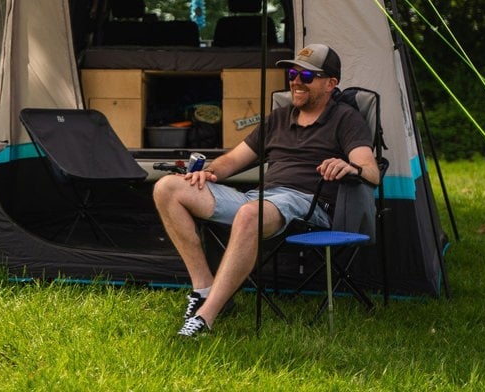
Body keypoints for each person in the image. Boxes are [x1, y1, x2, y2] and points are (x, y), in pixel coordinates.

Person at [153, 43, 380, 338]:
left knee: (250, 213)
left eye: (307, 76)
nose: (296, 80)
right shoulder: (277, 119)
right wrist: (210, 173)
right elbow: (235, 159)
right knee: (167, 187)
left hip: (306, 205)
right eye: (293, 73)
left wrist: (350, 167)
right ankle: (203, 288)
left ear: (330, 84)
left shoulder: (346, 119)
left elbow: (371, 172)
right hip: (260, 199)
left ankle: (205, 318)